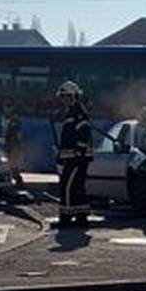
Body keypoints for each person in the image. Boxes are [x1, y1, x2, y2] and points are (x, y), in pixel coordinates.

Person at [55, 81, 93, 228]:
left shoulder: (78, 112)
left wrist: (79, 150)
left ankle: (66, 217)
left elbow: (83, 133)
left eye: (65, 96)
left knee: (68, 186)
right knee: (77, 187)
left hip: (77, 158)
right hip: (74, 157)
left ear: (73, 96)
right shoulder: (73, 111)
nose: (63, 99)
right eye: (62, 96)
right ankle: (81, 217)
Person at [0, 100, 24, 187]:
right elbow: (2, 130)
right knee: (7, 164)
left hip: (13, 144)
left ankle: (18, 181)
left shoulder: (15, 118)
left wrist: (18, 144)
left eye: (9, 107)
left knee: (13, 164)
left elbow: (16, 132)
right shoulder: (3, 117)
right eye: (6, 107)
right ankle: (10, 181)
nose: (7, 109)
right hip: (5, 144)